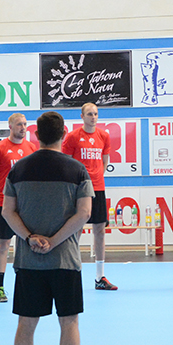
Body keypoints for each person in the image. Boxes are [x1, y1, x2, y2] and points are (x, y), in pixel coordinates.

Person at [3, 111, 97, 345]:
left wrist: (31, 239)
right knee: (68, 322)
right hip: (65, 261)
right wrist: (54, 241)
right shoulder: (78, 170)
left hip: (29, 262)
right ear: (63, 134)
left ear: (36, 134)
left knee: (26, 323)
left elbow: (7, 212)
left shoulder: (18, 170)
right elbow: (84, 214)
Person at [62, 103, 117, 290]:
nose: (93, 117)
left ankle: (100, 277)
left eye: (95, 114)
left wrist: (96, 179)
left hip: (98, 188)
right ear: (82, 116)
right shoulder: (72, 137)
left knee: (100, 230)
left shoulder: (104, 136)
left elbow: (104, 162)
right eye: (89, 114)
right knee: (75, 230)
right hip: (78, 189)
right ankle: (72, 271)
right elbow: (66, 163)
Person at [0, 113, 37, 302]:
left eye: (25, 124)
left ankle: (27, 284)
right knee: (2, 245)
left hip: (26, 205)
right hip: (3, 204)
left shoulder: (31, 148)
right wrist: (1, 189)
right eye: (19, 124)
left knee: (27, 243)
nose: (23, 127)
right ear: (10, 126)